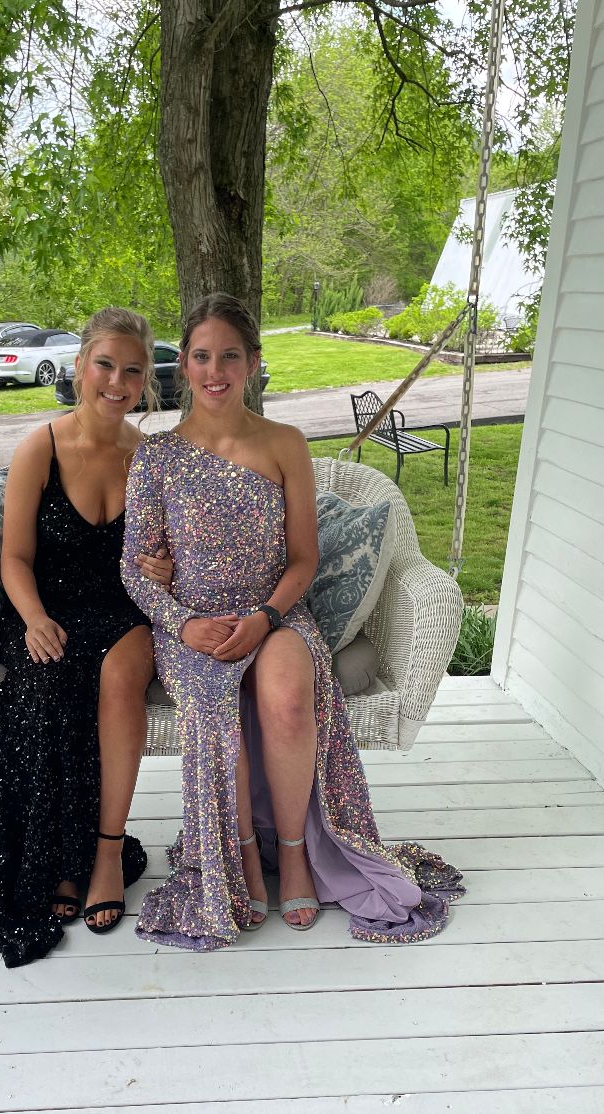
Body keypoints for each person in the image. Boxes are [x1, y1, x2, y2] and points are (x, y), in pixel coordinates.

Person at [121, 292, 463, 950]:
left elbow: (303, 559)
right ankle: (243, 854)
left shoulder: (284, 443)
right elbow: (136, 570)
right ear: (183, 366)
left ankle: (297, 851)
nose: (214, 369)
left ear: (253, 363)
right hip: (191, 623)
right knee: (215, 709)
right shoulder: (157, 458)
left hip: (276, 611)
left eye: (229, 356)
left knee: (284, 700)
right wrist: (184, 625)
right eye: (200, 356)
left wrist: (266, 615)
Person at [0, 307, 172, 968]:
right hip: (42, 607)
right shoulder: (40, 446)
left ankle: (104, 854)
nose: (117, 380)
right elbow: (13, 558)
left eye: (133, 370)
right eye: (105, 364)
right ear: (80, 367)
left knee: (122, 681)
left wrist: (164, 566)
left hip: (121, 608)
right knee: (45, 687)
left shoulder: (151, 458)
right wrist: (37, 619)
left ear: (144, 382)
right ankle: (55, 863)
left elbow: (162, 552)